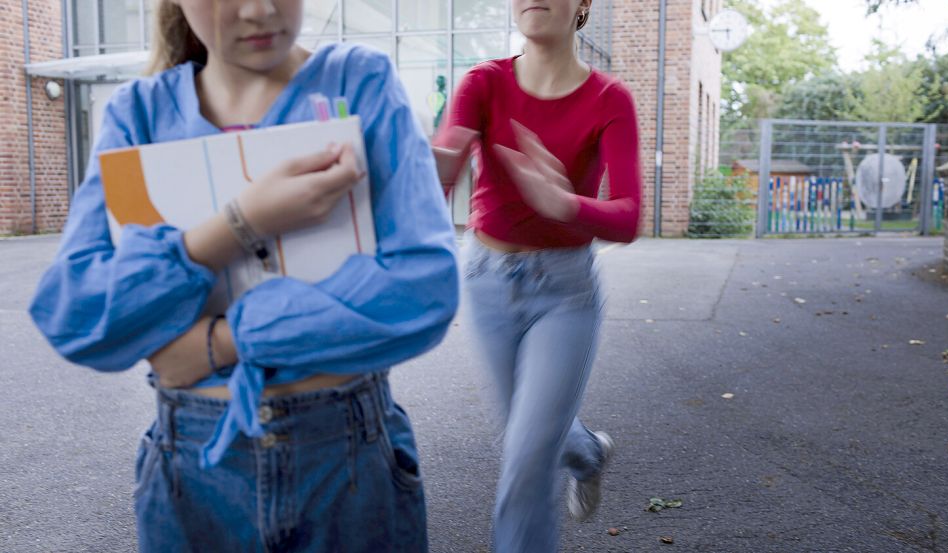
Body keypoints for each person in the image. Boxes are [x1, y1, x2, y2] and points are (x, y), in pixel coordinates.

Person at [28, 0, 457, 550]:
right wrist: (241, 222)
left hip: (345, 458)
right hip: (194, 468)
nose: (260, 9)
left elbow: (422, 292)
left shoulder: (359, 80)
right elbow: (75, 314)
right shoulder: (139, 112)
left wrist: (218, 343)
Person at [432, 0, 641, 550]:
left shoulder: (609, 99)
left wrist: (566, 204)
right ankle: (588, 453)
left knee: (525, 460)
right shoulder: (483, 83)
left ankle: (577, 455)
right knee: (533, 436)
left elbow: (629, 216)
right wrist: (427, 162)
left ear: (583, 5)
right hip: (485, 282)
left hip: (565, 295)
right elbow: (440, 171)